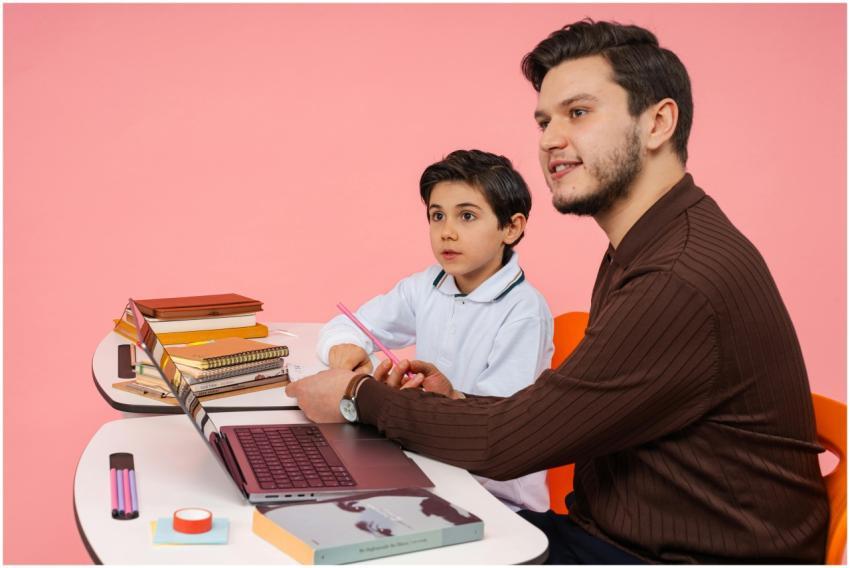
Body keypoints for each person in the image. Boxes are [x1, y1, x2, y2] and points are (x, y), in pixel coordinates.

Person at [287, 19, 828, 563]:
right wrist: (456, 402)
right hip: (612, 534)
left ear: (658, 122)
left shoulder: (677, 274)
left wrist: (357, 396)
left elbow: (509, 444)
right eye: (545, 121)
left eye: (579, 112)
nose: (549, 139)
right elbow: (560, 413)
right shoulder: (651, 245)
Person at [316, 148, 553, 512]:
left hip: (497, 499)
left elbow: (494, 431)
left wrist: (413, 406)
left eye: (467, 216)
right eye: (437, 216)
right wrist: (346, 349)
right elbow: (349, 324)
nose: (447, 232)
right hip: (430, 469)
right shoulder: (426, 285)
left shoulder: (524, 311)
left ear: (511, 227)